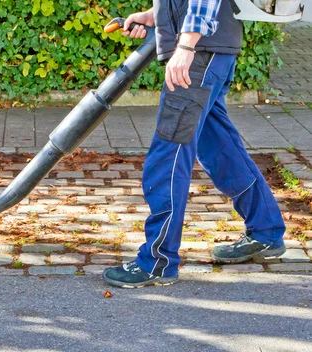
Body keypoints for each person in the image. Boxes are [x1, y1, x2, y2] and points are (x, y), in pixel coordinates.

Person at [102, 0, 287, 288]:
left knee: (168, 155)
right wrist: (155, 16)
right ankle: (266, 232)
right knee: (220, 149)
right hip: (214, 50)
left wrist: (187, 45)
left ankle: (158, 261)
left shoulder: (193, 46)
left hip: (200, 53)